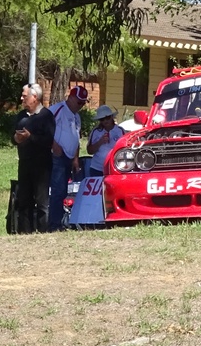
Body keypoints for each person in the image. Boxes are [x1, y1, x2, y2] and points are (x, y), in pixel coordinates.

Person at [12, 83, 56, 234]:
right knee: (24, 201)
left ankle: (43, 232)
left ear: (35, 97)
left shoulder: (46, 116)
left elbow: (49, 141)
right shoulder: (21, 116)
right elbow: (13, 136)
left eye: (25, 96)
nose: (22, 98)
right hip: (24, 164)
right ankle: (25, 233)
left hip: (42, 166)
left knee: (42, 203)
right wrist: (16, 139)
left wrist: (30, 137)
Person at [46, 83, 88, 233]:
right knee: (57, 190)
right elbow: (45, 128)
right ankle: (53, 224)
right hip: (57, 156)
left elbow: (76, 138)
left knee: (64, 191)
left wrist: (76, 158)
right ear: (70, 97)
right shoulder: (57, 110)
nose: (80, 106)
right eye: (79, 102)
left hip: (69, 157)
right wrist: (54, 145)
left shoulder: (77, 117)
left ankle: (59, 221)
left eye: (83, 103)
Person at [87, 105, 124, 174]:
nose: (105, 121)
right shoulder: (96, 131)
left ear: (112, 117)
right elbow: (89, 151)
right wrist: (100, 142)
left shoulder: (120, 131)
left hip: (114, 167)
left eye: (107, 118)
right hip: (97, 168)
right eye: (102, 119)